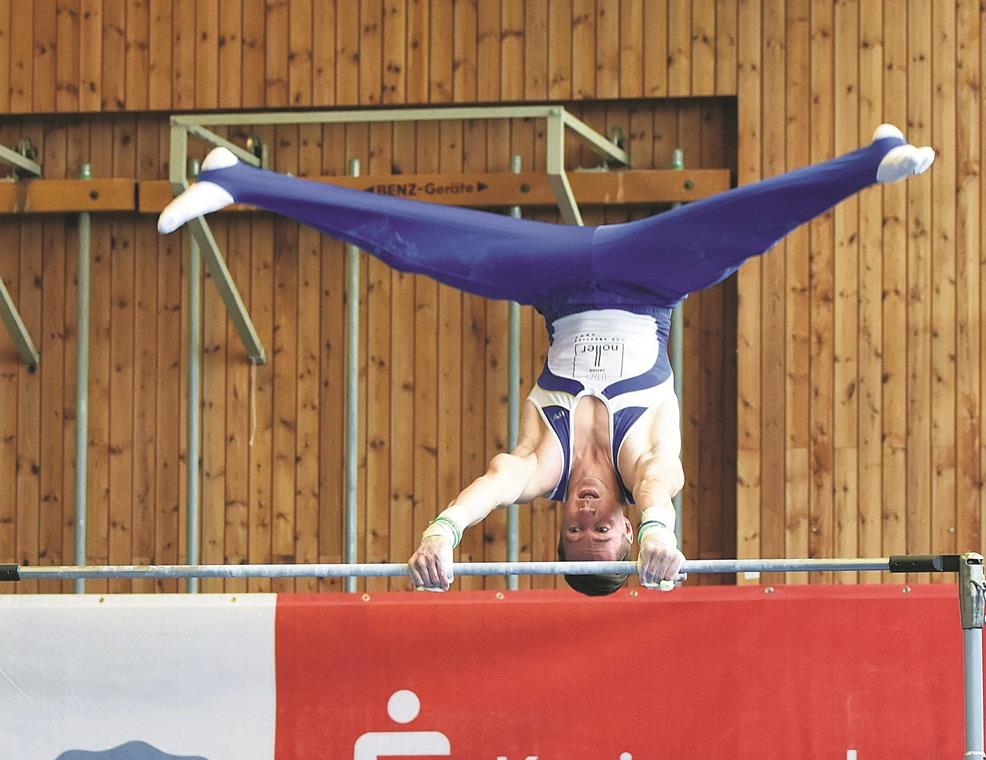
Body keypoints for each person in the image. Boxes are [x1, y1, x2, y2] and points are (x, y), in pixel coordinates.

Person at [158, 124, 934, 595]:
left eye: (575, 532)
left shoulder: (544, 466)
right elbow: (663, 481)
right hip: (646, 278)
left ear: (560, 524)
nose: (589, 518)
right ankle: (869, 163)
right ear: (626, 535)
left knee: (419, 240)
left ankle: (237, 180)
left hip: (555, 282)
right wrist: (663, 525)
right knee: (738, 230)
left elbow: (497, 484)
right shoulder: (645, 469)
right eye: (605, 534)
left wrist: (443, 531)